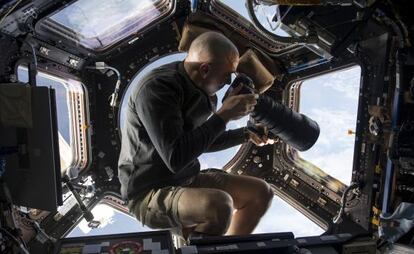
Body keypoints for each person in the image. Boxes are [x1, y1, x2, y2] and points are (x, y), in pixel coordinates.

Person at [118, 31, 273, 239]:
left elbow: (201, 141)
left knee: (261, 193)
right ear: (205, 69)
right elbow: (177, 157)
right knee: (219, 206)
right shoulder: (157, 88)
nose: (228, 82)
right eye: (227, 75)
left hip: (186, 179)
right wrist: (224, 116)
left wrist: (245, 134)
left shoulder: (205, 95)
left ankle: (229, 248)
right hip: (149, 194)